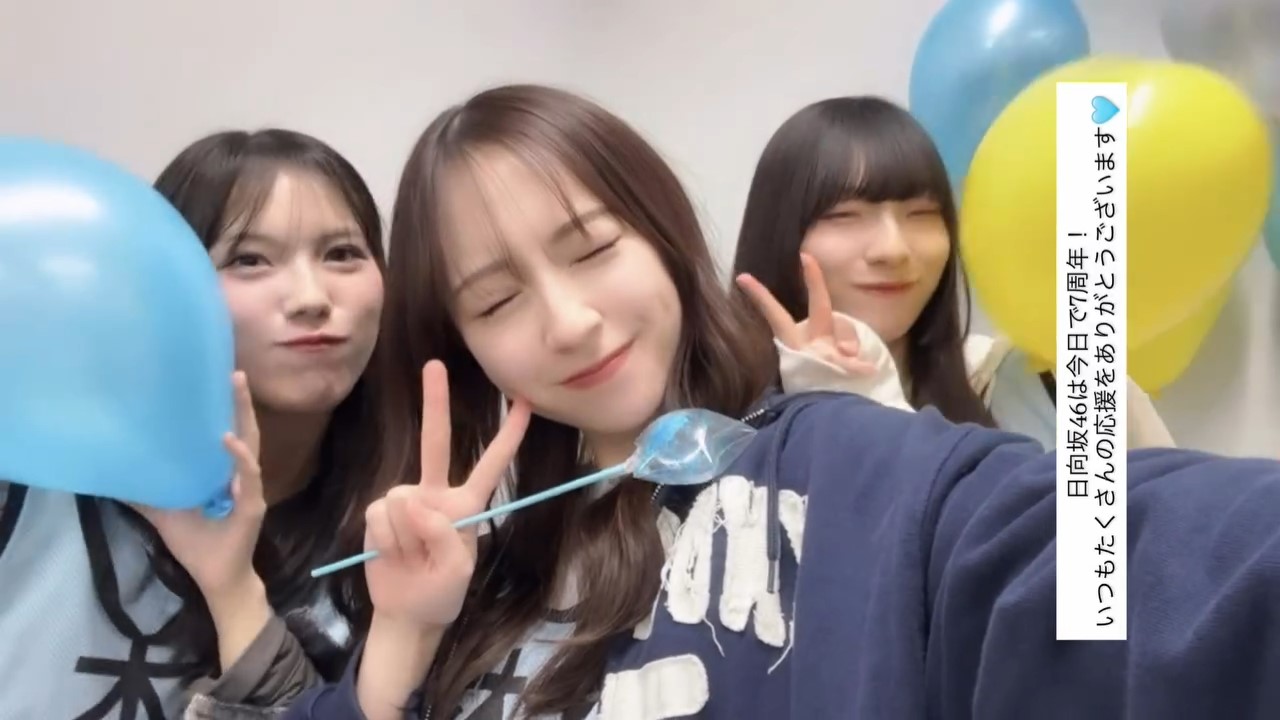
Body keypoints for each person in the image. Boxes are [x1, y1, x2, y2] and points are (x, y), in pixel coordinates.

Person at [283, 85, 1280, 720]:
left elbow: (1119, 562)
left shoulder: (832, 461)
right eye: (498, 301)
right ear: (462, 346)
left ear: (665, 238)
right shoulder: (473, 568)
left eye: (592, 249)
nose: (570, 321)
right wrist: (403, 639)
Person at [0, 129, 388, 719]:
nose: (311, 297)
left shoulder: (395, 543)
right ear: (165, 284)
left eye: (341, 254)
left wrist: (234, 592)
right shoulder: (39, 488)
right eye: (249, 260)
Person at [730, 96, 1174, 449]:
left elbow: (1151, 531)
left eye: (922, 214)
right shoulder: (721, 422)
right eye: (844, 216)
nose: (893, 250)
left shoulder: (1062, 385)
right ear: (779, 234)